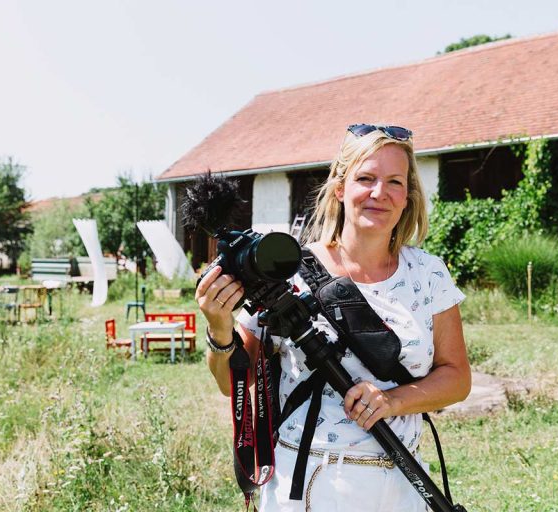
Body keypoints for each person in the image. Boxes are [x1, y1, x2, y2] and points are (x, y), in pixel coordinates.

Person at [196, 123, 471, 511]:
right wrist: (219, 328)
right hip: (310, 480)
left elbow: (456, 377)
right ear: (340, 188)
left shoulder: (428, 274)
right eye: (365, 178)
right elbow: (232, 383)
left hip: (402, 482)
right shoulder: (285, 266)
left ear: (407, 196)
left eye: (394, 182)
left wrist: (391, 400)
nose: (380, 193)